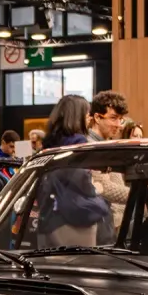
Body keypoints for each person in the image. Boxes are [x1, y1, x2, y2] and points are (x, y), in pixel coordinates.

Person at [37, 95, 110, 247]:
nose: (89, 118)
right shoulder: (78, 142)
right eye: (87, 114)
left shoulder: (49, 142)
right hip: (75, 219)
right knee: (79, 261)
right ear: (77, 116)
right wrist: (96, 188)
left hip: (49, 216)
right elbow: (80, 179)